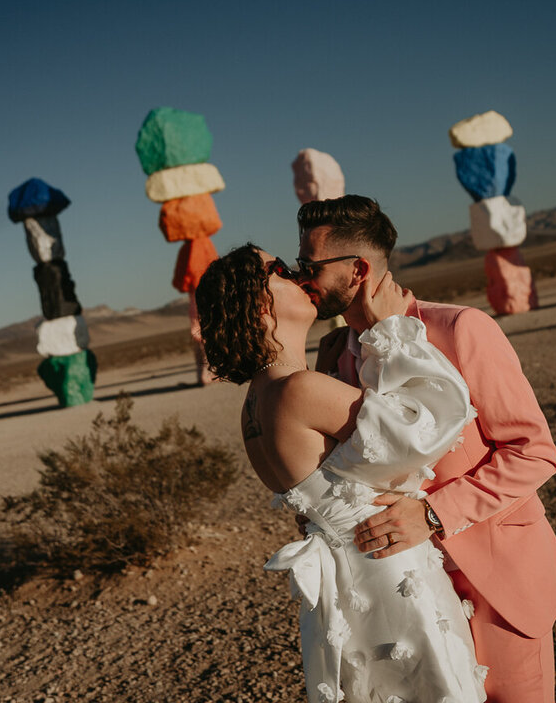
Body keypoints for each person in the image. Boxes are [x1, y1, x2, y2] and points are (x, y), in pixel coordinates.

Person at [297, 195, 556, 703]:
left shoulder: (460, 329)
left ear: (358, 269)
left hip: (498, 586)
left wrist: (432, 513)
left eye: (310, 266)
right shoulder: (334, 354)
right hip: (401, 598)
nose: (302, 279)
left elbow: (534, 450)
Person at [196, 244, 487, 703]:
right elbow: (423, 427)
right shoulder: (299, 389)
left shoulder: (254, 404)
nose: (298, 274)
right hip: (390, 572)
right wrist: (392, 330)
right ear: (258, 305)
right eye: (278, 270)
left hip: (349, 589)